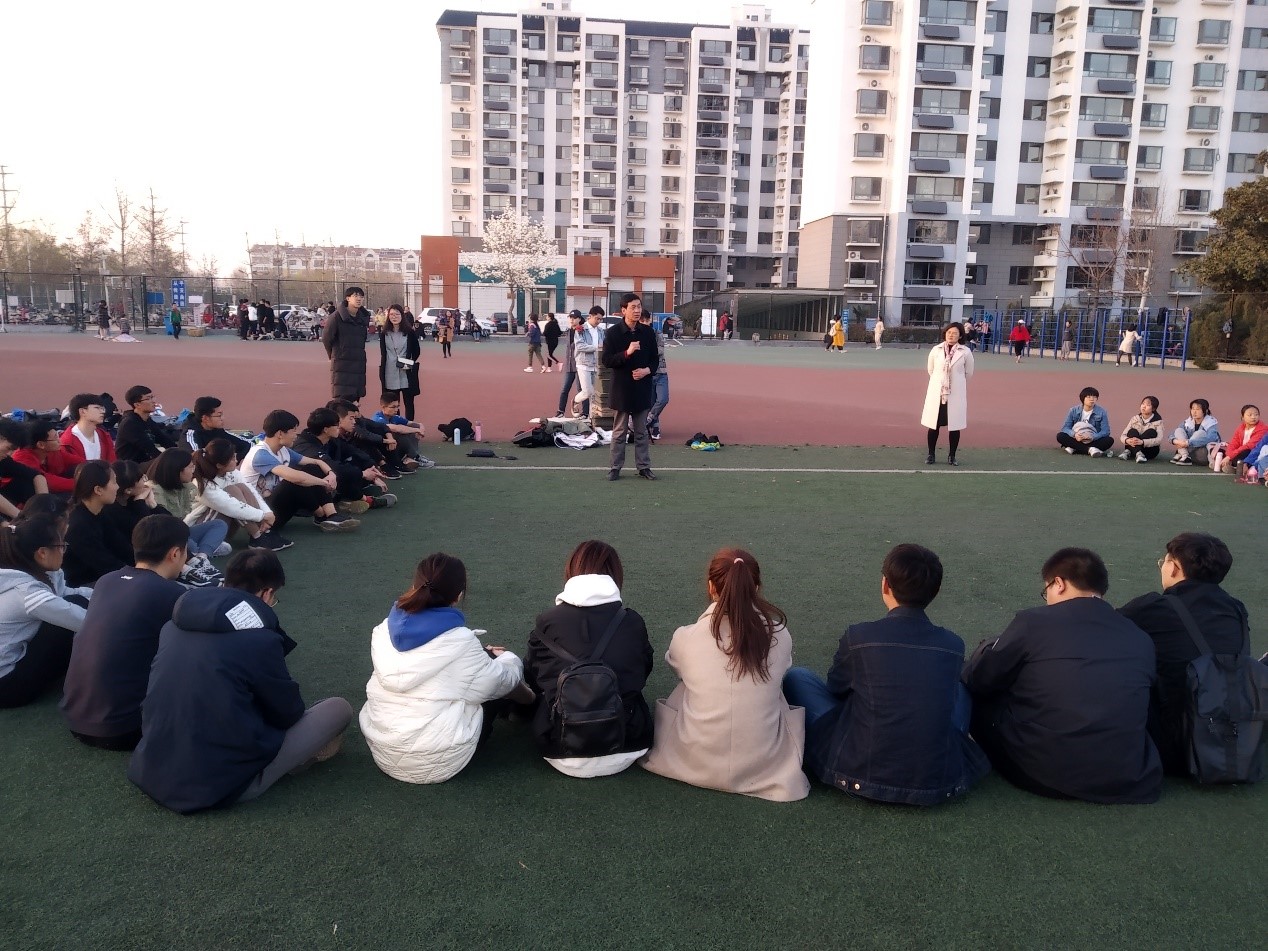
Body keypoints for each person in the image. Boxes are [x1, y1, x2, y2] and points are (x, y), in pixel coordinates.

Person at [127, 549, 354, 813]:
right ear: (267, 593)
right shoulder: (260, 639)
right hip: (219, 785)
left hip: (150, 767)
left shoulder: (172, 626)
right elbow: (289, 714)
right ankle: (292, 762)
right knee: (338, 709)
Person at [782, 543, 989, 805]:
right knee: (960, 689)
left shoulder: (859, 637)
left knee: (798, 677)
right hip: (934, 779)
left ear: (885, 585)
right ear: (935, 591)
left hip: (856, 768)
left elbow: (836, 688)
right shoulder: (953, 644)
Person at [962, 547, 1162, 803]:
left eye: (1046, 591)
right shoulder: (1139, 636)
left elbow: (981, 679)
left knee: (977, 693)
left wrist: (986, 650)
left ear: (1059, 583)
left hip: (1043, 773)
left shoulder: (1033, 622)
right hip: (1128, 777)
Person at [642, 549, 808, 802]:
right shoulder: (780, 635)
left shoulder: (686, 637)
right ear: (756, 587)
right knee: (778, 684)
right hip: (766, 764)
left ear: (711, 587)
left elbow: (676, 665)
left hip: (693, 760)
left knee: (688, 682)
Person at [360, 552, 535, 784]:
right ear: (459, 595)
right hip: (440, 758)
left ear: (415, 584)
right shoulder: (460, 641)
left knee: (475, 672)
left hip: (384, 749)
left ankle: (525, 703)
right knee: (495, 681)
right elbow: (500, 682)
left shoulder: (383, 630)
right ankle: (531, 706)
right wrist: (508, 658)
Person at [1118, 533, 1249, 777]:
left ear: (1174, 567)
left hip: (1173, 745)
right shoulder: (1236, 609)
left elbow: (1101, 632)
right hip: (1235, 740)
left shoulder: (1154, 606)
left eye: (1164, 562)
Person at [522, 540, 653, 777]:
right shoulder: (632, 622)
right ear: (616, 575)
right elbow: (644, 671)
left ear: (571, 571)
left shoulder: (547, 622)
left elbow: (531, 675)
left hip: (559, 748)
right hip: (628, 743)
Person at [60, 514, 189, 749]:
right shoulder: (171, 594)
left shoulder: (106, 581)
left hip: (75, 720)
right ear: (175, 553)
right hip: (125, 728)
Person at [0, 515, 92, 708]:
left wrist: (107, 593)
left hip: (12, 664)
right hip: (7, 687)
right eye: (61, 546)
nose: (64, 551)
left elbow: (66, 593)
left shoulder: (24, 575)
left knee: (75, 602)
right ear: (42, 552)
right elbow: (82, 621)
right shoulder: (27, 592)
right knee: (72, 622)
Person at [239, 410, 358, 534]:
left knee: (312, 468)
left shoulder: (283, 450)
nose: (296, 435)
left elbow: (316, 462)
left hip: (277, 509)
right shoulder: (260, 454)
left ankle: (331, 515)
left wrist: (331, 473)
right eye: (294, 431)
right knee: (293, 480)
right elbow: (297, 478)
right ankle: (321, 514)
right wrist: (324, 482)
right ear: (280, 433)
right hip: (262, 517)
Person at [189, 438, 286, 551]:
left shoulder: (232, 473)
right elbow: (230, 506)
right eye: (232, 458)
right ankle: (257, 537)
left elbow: (251, 491)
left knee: (241, 487)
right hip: (198, 532)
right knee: (231, 492)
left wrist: (267, 512)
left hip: (221, 527)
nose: (236, 460)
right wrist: (262, 516)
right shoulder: (201, 484)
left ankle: (262, 533)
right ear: (219, 465)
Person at [601, 293, 659, 481]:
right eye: (633, 307)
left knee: (641, 432)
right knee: (619, 432)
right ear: (623, 310)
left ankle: (644, 467)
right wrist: (627, 352)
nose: (637, 310)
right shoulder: (613, 333)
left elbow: (655, 360)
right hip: (622, 390)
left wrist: (646, 371)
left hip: (642, 388)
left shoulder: (648, 332)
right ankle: (615, 467)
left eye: (639, 306)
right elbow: (607, 360)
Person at [147, 448, 233, 558]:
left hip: (181, 531)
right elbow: (167, 528)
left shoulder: (182, 487)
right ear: (178, 470)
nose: (193, 470)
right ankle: (202, 550)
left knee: (219, 525)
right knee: (189, 544)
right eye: (190, 467)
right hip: (166, 538)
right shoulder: (154, 491)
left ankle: (202, 556)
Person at [62, 460, 135, 588]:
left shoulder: (99, 512)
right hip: (83, 586)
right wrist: (138, 575)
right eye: (114, 482)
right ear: (98, 490)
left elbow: (121, 546)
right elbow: (105, 564)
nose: (118, 487)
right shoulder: (78, 525)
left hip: (103, 577)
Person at [920, 321, 974, 466]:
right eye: (949, 333)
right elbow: (931, 370)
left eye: (955, 333)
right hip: (937, 393)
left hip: (955, 393)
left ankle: (952, 456)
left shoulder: (965, 352)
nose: (951, 335)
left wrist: (956, 382)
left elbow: (968, 373)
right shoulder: (936, 350)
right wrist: (942, 382)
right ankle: (931, 454)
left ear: (960, 336)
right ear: (945, 334)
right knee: (934, 425)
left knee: (954, 426)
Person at [322, 287, 371, 400]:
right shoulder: (336, 317)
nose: (359, 299)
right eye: (355, 296)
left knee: (355, 403)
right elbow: (326, 338)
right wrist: (333, 355)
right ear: (348, 298)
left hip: (358, 365)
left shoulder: (363, 319)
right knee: (342, 404)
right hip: (342, 365)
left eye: (361, 296)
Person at [377, 305, 421, 420]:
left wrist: (408, 362)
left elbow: (416, 351)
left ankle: (409, 425)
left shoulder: (410, 332)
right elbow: (383, 353)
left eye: (397, 314)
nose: (394, 317)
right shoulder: (384, 333)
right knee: (393, 403)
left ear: (402, 316)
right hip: (390, 371)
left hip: (406, 371)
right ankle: (396, 424)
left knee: (409, 402)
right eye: (391, 314)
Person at [114, 385, 177, 465]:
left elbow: (164, 440)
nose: (153, 401)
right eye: (148, 398)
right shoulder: (129, 424)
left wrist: (181, 453)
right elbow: (149, 449)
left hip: (145, 463)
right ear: (137, 405)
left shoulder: (147, 420)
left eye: (152, 397)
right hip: (131, 467)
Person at [12, 420, 76, 496]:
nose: (59, 440)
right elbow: (49, 482)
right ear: (41, 445)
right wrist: (81, 484)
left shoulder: (52, 451)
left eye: (58, 435)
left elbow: (75, 460)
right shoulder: (22, 459)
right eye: (55, 438)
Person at [0, 419, 49, 515]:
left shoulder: (4, 460)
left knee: (26, 483)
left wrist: (44, 504)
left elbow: (37, 476)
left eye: (13, 450)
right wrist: (21, 517)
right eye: (8, 448)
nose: (10, 454)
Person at [182, 395, 253, 461]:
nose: (223, 418)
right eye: (219, 416)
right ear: (205, 418)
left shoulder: (218, 430)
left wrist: (237, 459)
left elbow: (248, 445)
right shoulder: (190, 435)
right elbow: (197, 459)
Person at [373, 393, 433, 468]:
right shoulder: (378, 419)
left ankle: (410, 458)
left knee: (414, 426)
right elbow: (396, 428)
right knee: (398, 433)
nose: (396, 409)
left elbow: (414, 424)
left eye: (397, 406)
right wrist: (417, 430)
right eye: (393, 407)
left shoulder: (394, 417)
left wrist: (421, 427)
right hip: (383, 451)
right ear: (383, 407)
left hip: (394, 448)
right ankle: (414, 457)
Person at [638, 309, 670, 441]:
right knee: (651, 401)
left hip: (660, 371)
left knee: (663, 399)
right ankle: (655, 426)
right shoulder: (636, 335)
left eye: (647, 320)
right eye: (642, 321)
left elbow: (660, 350)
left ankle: (649, 419)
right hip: (647, 373)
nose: (645, 323)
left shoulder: (657, 333)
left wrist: (646, 351)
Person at [58, 393, 117, 466]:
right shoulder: (67, 442)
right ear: (82, 411)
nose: (103, 411)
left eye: (102, 408)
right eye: (97, 408)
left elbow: (112, 464)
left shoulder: (104, 436)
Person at [1056, 386, 1114, 457]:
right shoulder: (1073, 410)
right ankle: (1090, 449)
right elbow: (1065, 428)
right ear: (1083, 398)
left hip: (1092, 439)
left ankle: (1075, 448)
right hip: (1077, 438)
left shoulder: (1102, 412)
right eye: (1088, 397)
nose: (1092, 399)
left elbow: (1106, 431)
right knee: (1060, 436)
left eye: (1095, 397)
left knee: (1109, 440)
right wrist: (1075, 435)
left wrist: (1092, 436)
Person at [1210, 404, 1266, 475]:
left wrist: (1229, 457)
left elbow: (1249, 446)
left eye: (1256, 415)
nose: (1253, 417)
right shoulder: (1241, 427)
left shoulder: (1263, 429)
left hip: (1251, 453)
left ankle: (1228, 465)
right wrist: (1228, 456)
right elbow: (1234, 443)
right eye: (1250, 415)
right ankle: (1227, 464)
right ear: (1242, 417)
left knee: (1244, 453)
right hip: (1239, 452)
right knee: (1215, 450)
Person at [573, 307, 605, 419]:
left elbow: (604, 345)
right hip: (583, 364)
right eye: (597, 318)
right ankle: (575, 401)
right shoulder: (581, 329)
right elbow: (580, 346)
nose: (598, 321)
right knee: (587, 391)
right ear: (590, 316)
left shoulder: (601, 331)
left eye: (600, 319)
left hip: (596, 364)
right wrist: (596, 347)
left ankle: (592, 418)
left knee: (594, 394)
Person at [1169, 398, 1219, 466]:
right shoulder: (1188, 421)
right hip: (1190, 453)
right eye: (1192, 409)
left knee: (1200, 433)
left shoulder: (1211, 422)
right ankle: (1185, 456)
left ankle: (1182, 453)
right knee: (1179, 430)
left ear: (1205, 411)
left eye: (1197, 409)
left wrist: (1188, 443)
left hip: (1202, 454)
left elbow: (1211, 438)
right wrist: (1176, 441)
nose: (1194, 412)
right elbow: (1172, 434)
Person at [1118, 396, 1164, 463]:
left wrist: (1143, 442)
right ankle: (1138, 453)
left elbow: (1159, 440)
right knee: (1132, 431)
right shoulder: (1135, 419)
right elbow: (1123, 435)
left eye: (1148, 405)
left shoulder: (1158, 422)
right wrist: (1127, 440)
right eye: (1143, 404)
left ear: (1154, 408)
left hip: (1149, 451)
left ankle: (1130, 452)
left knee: (1151, 432)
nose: (1144, 407)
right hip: (1132, 446)